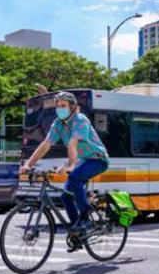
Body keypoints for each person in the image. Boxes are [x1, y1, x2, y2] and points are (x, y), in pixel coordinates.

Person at [19, 92, 110, 252]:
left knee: (74, 177)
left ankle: (85, 217)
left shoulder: (80, 120)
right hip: (83, 161)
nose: (59, 109)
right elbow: (46, 144)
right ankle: (78, 233)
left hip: (97, 159)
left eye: (63, 106)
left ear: (72, 107)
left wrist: (69, 164)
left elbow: (73, 143)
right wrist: (28, 165)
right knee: (65, 197)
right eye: (58, 106)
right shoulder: (58, 124)